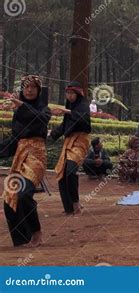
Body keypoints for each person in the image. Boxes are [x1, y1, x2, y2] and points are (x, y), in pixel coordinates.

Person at [1, 74, 51, 247]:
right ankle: (22, 239)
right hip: (20, 157)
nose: (29, 90)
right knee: (9, 197)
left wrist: (22, 105)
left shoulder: (45, 110)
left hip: (36, 157)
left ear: (38, 90)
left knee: (23, 195)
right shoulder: (17, 114)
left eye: (33, 87)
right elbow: (14, 140)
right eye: (26, 87)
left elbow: (39, 119)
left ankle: (36, 232)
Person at [50, 81, 91, 216]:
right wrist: (51, 135)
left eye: (72, 93)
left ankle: (75, 202)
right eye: (67, 93)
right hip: (68, 141)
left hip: (80, 141)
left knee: (70, 170)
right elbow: (65, 125)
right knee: (62, 173)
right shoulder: (69, 106)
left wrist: (66, 111)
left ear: (78, 94)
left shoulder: (84, 105)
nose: (70, 96)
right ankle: (68, 208)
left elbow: (82, 118)